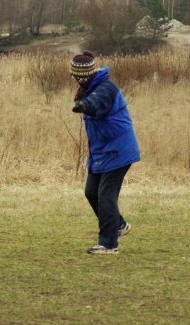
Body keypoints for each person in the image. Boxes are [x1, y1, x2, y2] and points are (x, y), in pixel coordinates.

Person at [69, 50, 140, 254]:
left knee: (105, 195)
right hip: (102, 152)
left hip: (118, 150)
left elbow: (98, 102)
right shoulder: (90, 89)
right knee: (91, 192)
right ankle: (118, 225)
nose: (73, 80)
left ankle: (109, 244)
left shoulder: (106, 89)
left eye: (74, 76)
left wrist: (84, 105)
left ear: (82, 77)